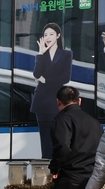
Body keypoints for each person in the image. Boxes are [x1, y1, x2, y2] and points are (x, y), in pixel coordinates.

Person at [31, 22, 74, 159]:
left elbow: (65, 78)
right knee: (44, 138)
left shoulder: (66, 54)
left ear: (58, 35)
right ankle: (45, 166)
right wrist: (40, 54)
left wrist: (45, 80)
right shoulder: (42, 55)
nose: (48, 37)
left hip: (56, 100)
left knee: (56, 136)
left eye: (51, 34)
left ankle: (55, 167)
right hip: (41, 101)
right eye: (45, 35)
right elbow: (36, 74)